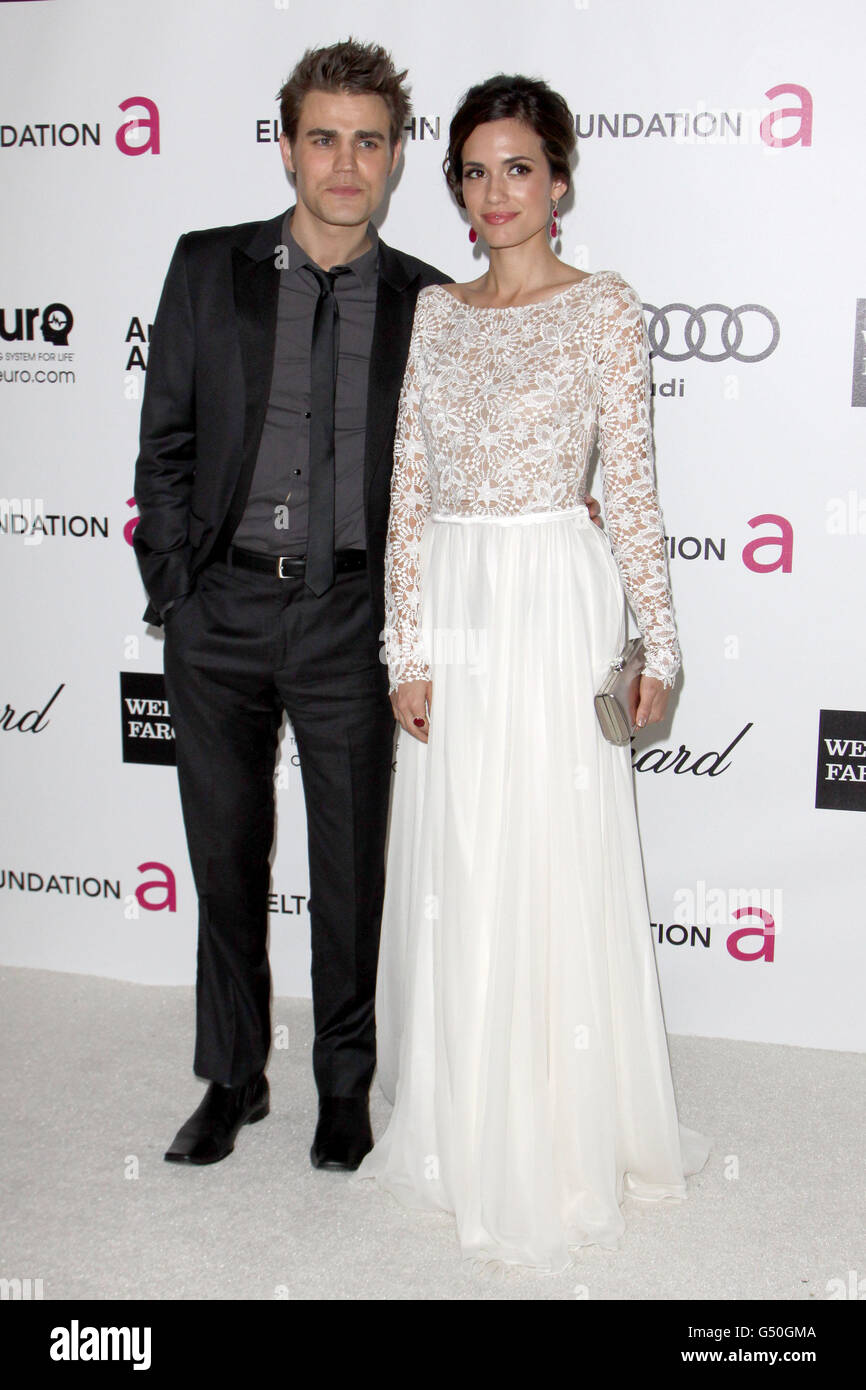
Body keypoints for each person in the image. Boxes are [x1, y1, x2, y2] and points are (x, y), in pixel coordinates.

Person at [132, 37, 607, 1172]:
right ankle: (233, 1078)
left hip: (352, 618)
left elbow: (470, 452)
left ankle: (344, 1090)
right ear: (288, 146)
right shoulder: (207, 268)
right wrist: (177, 595)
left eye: (369, 142)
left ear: (396, 160)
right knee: (225, 858)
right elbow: (166, 444)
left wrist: (555, 510)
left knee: (351, 873)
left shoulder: (430, 304)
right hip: (222, 613)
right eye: (323, 138)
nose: (345, 164)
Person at [352, 74, 711, 1271]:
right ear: (452, 190)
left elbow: (639, 495)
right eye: (473, 170)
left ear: (559, 182)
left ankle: (558, 1133)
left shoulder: (604, 307)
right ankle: (459, 1126)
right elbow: (407, 493)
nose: (495, 192)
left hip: (554, 595)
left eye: (518, 168)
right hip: (454, 595)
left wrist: (657, 644)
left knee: (548, 862)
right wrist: (404, 646)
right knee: (460, 859)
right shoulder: (435, 314)